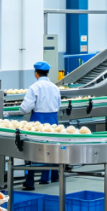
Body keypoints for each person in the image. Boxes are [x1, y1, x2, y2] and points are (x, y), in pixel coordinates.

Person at [20, 61, 61, 190]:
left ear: (36, 73)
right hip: (53, 120)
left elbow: (25, 108)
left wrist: (19, 110)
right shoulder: (55, 87)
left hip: (38, 121)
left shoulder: (34, 87)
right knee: (52, 147)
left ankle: (30, 182)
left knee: (32, 150)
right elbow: (58, 105)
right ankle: (51, 177)